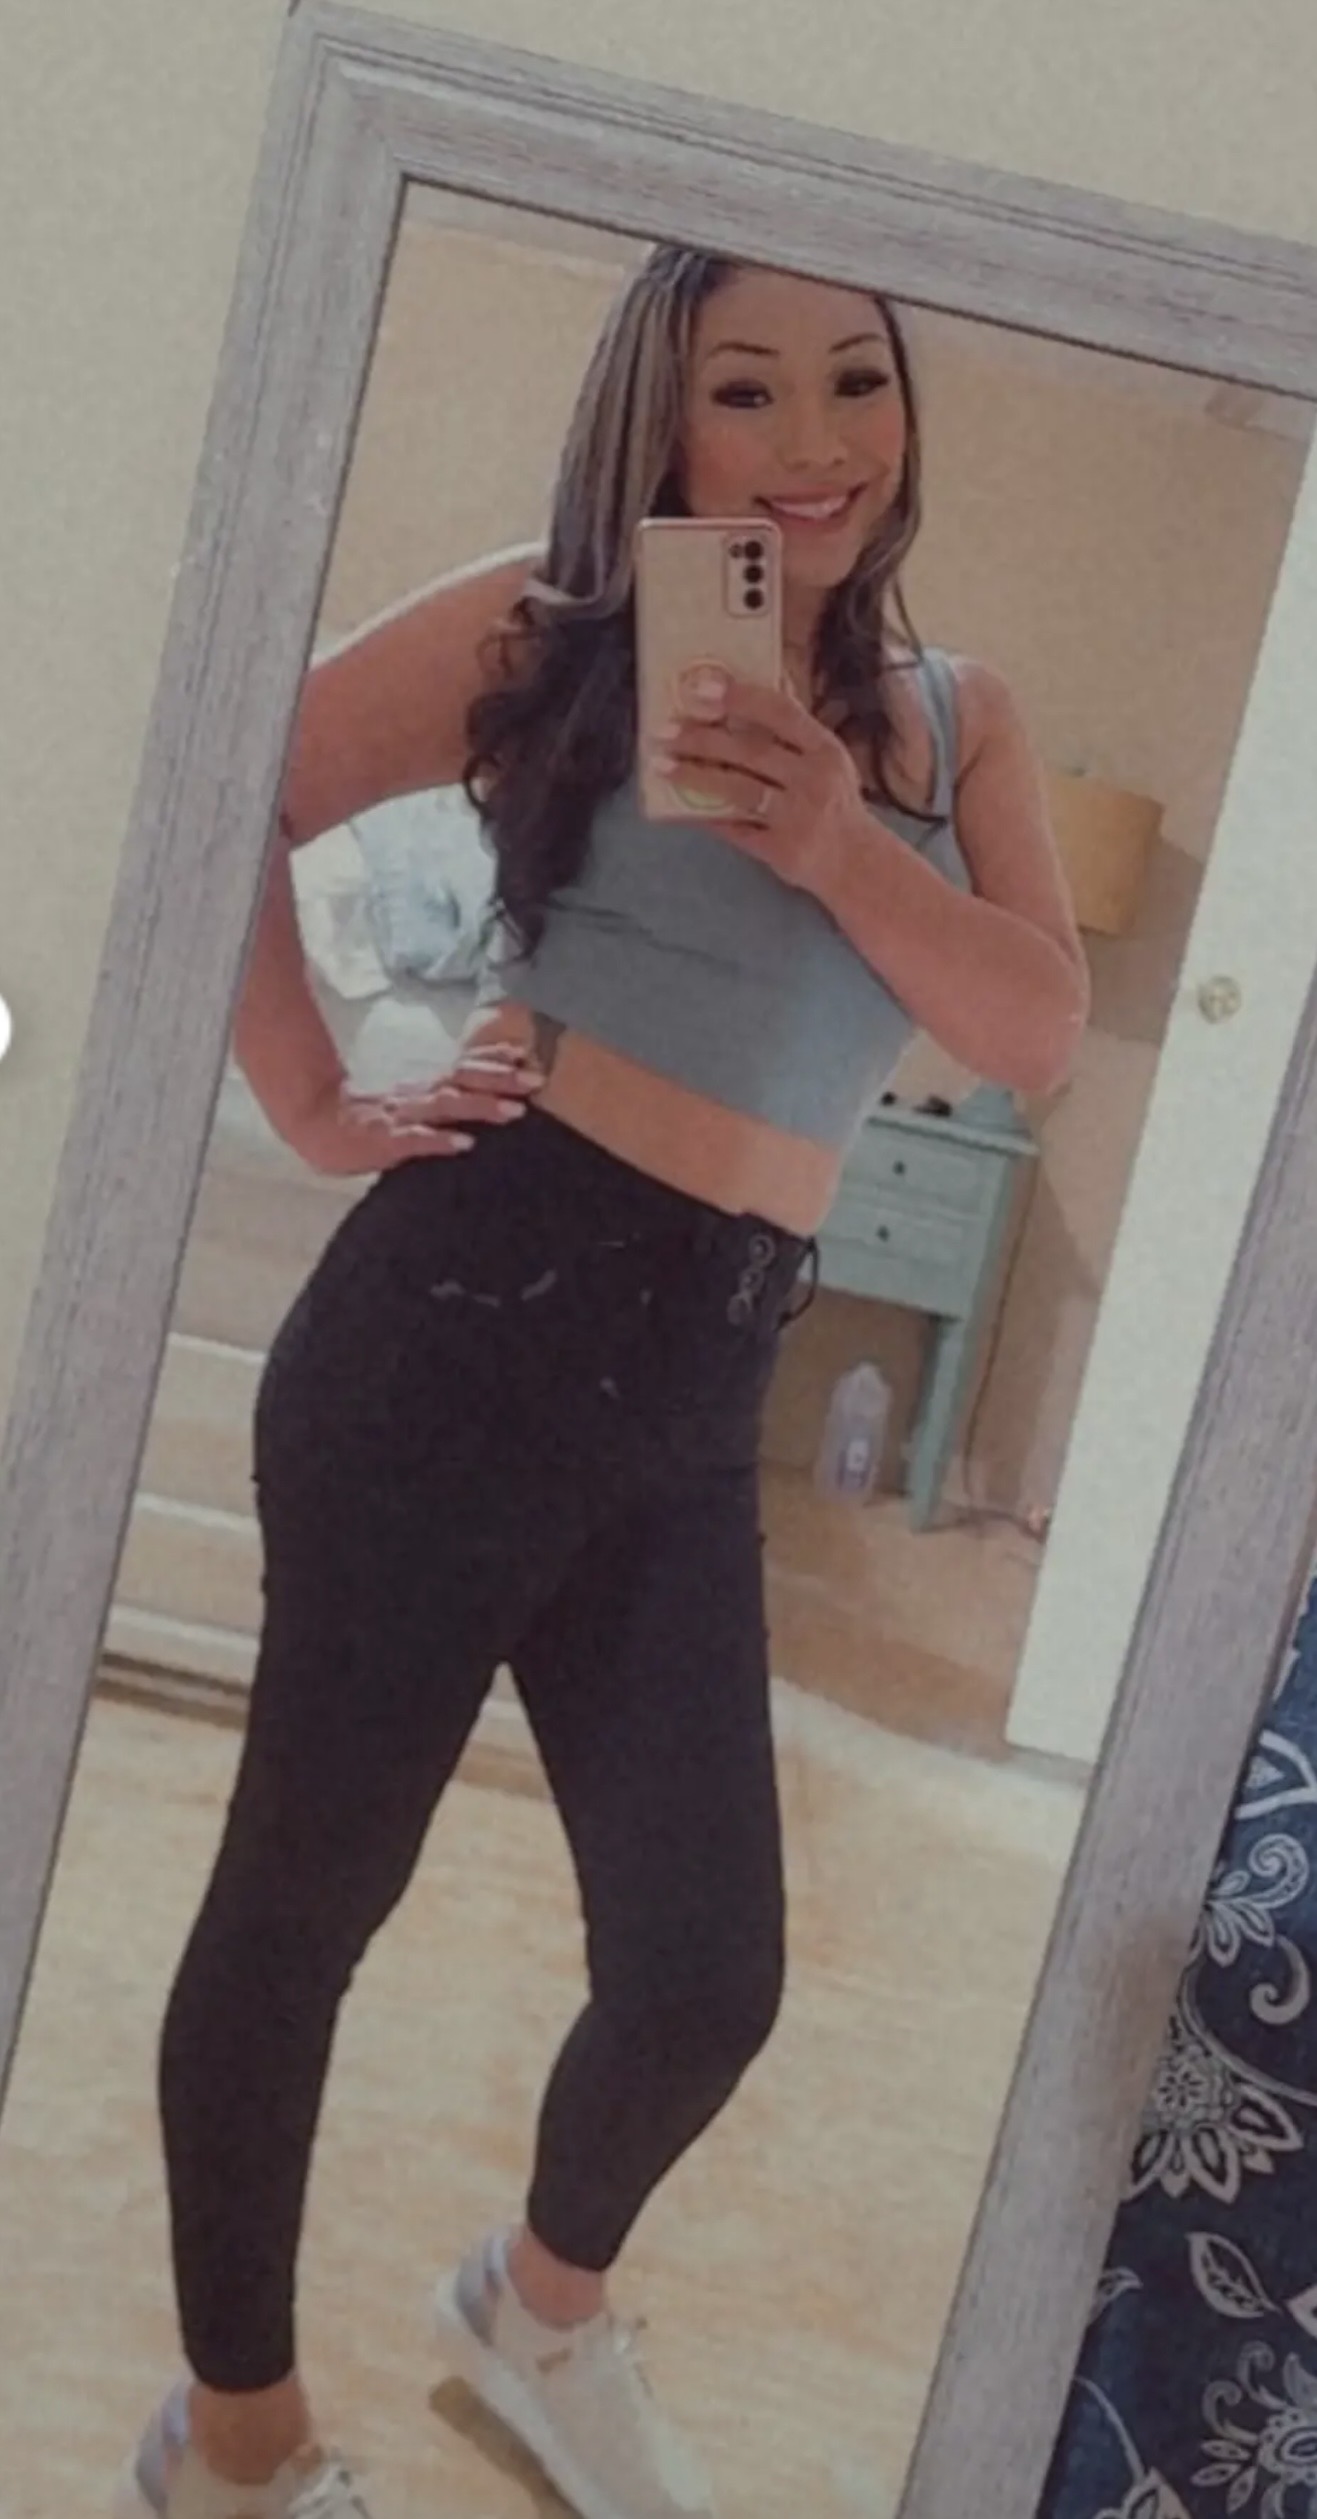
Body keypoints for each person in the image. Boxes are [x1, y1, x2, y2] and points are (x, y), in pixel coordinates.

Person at [116, 246, 1090, 2519]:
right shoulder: (554, 627)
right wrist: (313, 1099)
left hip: (696, 1383)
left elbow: (1032, 1030)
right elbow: (226, 787)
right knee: (302, 1911)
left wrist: (830, 838)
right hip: (458, 1329)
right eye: (745, 391)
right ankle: (233, 2449)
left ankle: (536, 2313)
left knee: (703, 1970)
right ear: (662, 420)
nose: (814, 442)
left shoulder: (957, 721)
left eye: (857, 380)